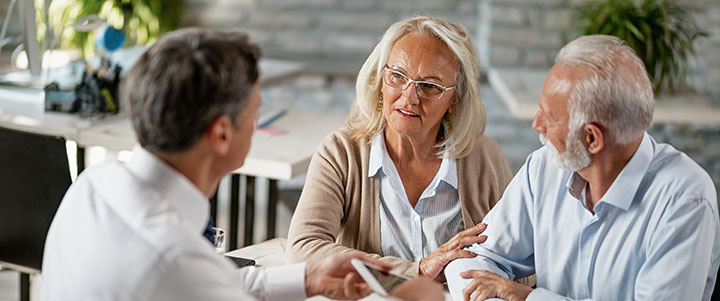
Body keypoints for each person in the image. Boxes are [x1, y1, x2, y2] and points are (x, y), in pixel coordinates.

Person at [41, 28, 443, 301]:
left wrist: (307, 278)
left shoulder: (92, 186)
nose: (259, 117)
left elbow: (212, 280)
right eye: (255, 109)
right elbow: (195, 279)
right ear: (221, 134)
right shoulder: (177, 260)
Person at [444, 34, 720, 301]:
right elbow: (471, 260)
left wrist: (528, 298)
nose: (536, 124)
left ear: (591, 138)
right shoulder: (544, 167)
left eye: (549, 117)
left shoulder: (685, 199)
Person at [287, 16, 515, 283]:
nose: (409, 97)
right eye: (397, 76)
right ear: (380, 80)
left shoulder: (485, 158)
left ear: (455, 100)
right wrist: (416, 272)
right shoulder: (341, 153)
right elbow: (303, 248)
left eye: (429, 86)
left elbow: (523, 262)